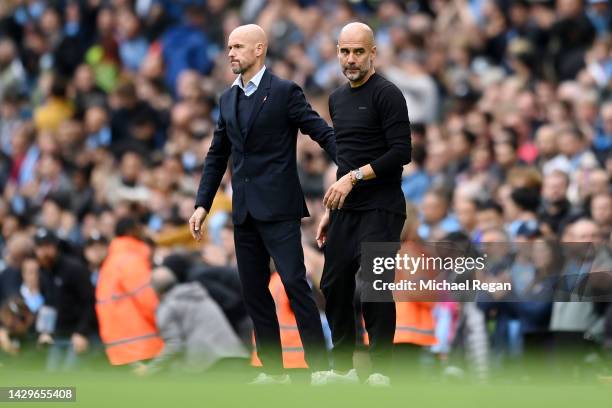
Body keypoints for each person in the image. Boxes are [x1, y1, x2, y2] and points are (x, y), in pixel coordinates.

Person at [189, 24, 336, 385]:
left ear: (259, 50)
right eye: (228, 46)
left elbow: (320, 131)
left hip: (279, 208)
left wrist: (350, 170)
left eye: (238, 46)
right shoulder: (227, 99)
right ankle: (273, 372)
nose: (230, 52)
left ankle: (320, 369)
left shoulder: (284, 92)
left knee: (294, 284)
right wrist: (202, 204)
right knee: (254, 292)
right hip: (244, 212)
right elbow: (216, 154)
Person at [316, 22, 412, 386]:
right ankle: (341, 369)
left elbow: (401, 152)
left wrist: (354, 178)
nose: (351, 59)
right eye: (345, 51)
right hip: (347, 209)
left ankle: (381, 370)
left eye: (359, 51)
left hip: (383, 206)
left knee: (374, 283)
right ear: (337, 52)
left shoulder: (388, 94)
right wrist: (330, 208)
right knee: (334, 283)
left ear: (373, 53)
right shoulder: (337, 99)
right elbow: (346, 157)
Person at [96, 217, 163, 366]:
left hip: (118, 350)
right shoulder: (130, 260)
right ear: (131, 231)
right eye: (139, 227)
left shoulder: (109, 264)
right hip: (144, 346)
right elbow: (148, 301)